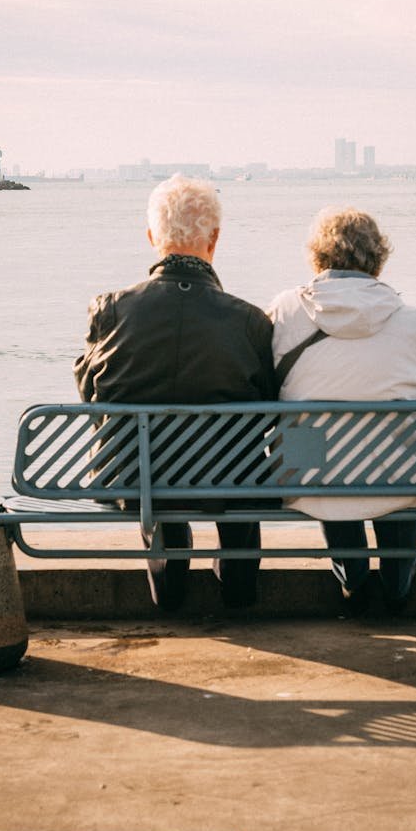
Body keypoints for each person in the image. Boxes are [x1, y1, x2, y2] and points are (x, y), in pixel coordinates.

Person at [74, 174, 277, 610]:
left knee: (150, 459)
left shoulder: (111, 309)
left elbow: (90, 393)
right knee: (239, 464)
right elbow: (269, 407)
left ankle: (168, 587)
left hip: (131, 479)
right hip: (228, 481)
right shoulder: (250, 321)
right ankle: (239, 592)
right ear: (214, 239)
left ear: (152, 236)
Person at [267, 207, 416, 613]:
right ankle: (396, 580)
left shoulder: (286, 309)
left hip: (313, 475)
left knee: (319, 449)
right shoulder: (413, 321)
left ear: (317, 256)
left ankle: (352, 575)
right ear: (379, 258)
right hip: (400, 476)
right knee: (399, 453)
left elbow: (268, 387)